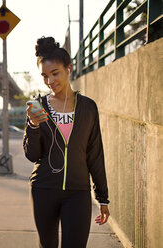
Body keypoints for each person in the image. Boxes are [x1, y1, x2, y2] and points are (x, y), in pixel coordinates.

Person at [23, 36, 110, 248]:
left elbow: (95, 153)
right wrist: (33, 126)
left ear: (68, 69)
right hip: (43, 188)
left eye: (55, 73)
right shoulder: (38, 107)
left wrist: (103, 197)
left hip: (78, 191)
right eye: (44, 76)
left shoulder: (88, 107)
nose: (50, 81)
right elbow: (32, 155)